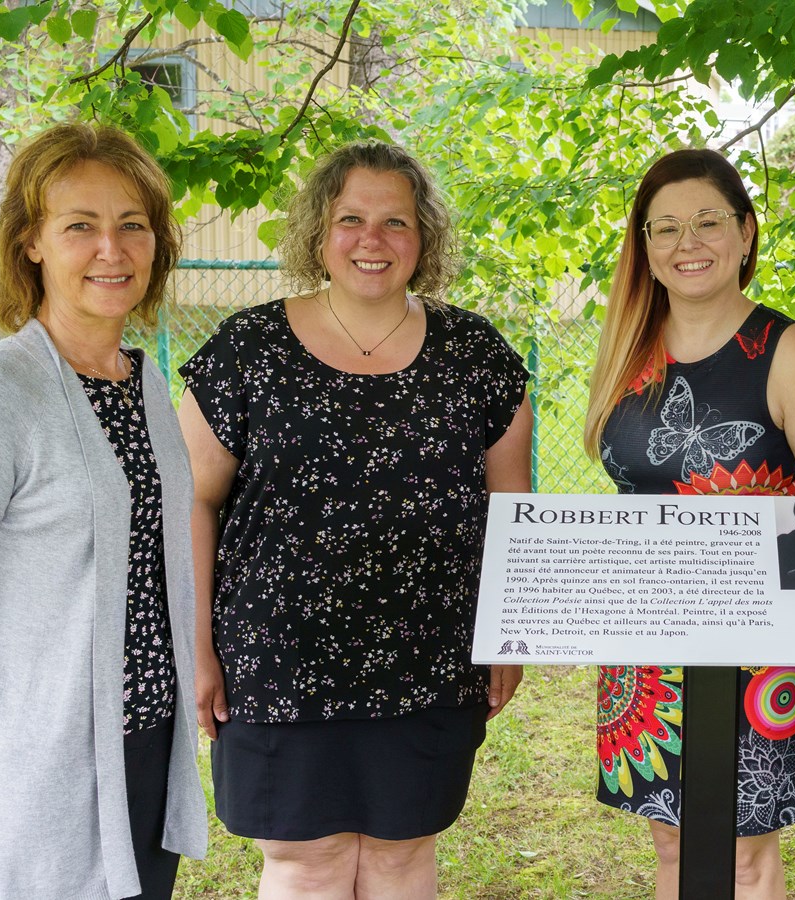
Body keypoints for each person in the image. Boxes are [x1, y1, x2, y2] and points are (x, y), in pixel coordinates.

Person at [178, 140, 532, 898]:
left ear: (425, 239)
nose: (372, 240)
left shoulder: (476, 355)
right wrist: (197, 642)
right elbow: (192, 500)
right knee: (307, 863)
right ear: (318, 233)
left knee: (404, 857)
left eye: (396, 222)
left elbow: (512, 510)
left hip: (431, 659)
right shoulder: (248, 349)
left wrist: (511, 631)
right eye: (351, 219)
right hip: (277, 661)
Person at [0, 121, 207, 898]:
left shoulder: (142, 383)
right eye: (80, 226)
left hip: (144, 752)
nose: (111, 250)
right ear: (31, 243)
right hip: (34, 775)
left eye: (132, 225)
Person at [583, 147, 795, 899]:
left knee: (742, 857)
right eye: (665, 227)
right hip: (644, 645)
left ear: (746, 233)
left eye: (708, 221)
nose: (688, 242)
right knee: (673, 845)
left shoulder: (790, 352)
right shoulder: (628, 352)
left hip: (753, 645)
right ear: (644, 246)